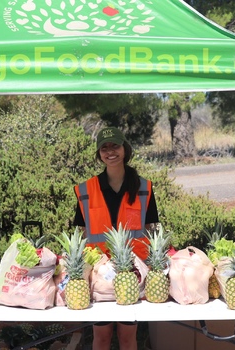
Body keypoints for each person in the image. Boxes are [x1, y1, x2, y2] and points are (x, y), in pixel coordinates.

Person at [73, 127, 160, 350]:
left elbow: (151, 230)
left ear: (125, 149)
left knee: (127, 337)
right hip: (99, 276)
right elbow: (81, 234)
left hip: (132, 273)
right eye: (104, 147)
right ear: (98, 153)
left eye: (115, 146)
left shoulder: (144, 187)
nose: (110, 152)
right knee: (101, 337)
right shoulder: (86, 190)